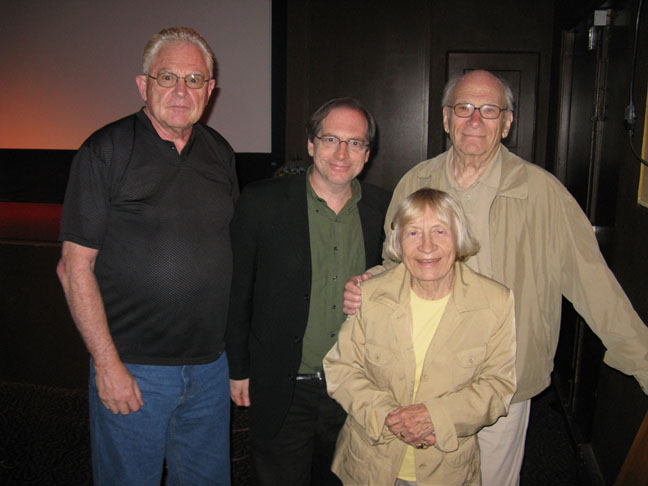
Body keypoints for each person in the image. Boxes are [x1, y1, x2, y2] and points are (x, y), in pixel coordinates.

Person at [343, 70, 648, 485]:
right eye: (464, 108)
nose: (475, 120)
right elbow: (397, 265)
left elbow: (593, 284)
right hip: (423, 378)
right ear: (446, 118)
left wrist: (643, 361)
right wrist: (369, 283)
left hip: (500, 379)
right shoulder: (416, 182)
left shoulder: (542, 193)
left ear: (507, 123)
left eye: (489, 110)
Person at [56, 27, 237, 486]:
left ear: (210, 90)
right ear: (144, 85)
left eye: (194, 80)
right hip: (134, 369)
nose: (181, 91)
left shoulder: (220, 153)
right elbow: (74, 267)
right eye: (167, 77)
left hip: (210, 369)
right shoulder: (106, 150)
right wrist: (107, 365)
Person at [226, 98, 391, 485]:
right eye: (331, 139)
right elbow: (237, 290)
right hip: (284, 386)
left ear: (367, 154)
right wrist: (238, 369)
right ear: (311, 144)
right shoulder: (262, 202)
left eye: (354, 143)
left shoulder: (385, 209)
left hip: (353, 388)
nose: (341, 153)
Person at [324, 188, 517, 485]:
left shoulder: (495, 302)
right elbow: (341, 368)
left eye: (440, 231)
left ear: (458, 237)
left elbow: (498, 385)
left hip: (446, 470)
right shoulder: (370, 295)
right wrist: (387, 415)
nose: (427, 246)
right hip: (371, 465)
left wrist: (436, 417)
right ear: (398, 242)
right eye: (413, 233)